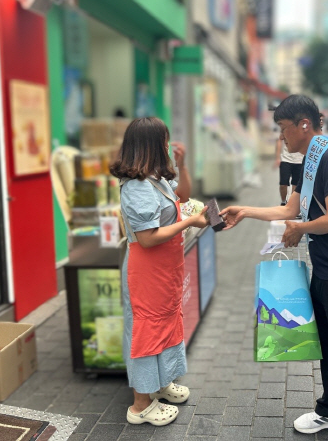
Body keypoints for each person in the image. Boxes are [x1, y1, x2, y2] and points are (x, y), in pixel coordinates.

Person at [221, 95, 328, 441]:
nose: (281, 138)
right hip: (324, 271)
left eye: (283, 129)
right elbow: (291, 208)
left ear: (304, 124)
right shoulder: (310, 161)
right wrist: (244, 210)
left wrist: (301, 229)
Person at [110, 117, 208, 427]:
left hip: (164, 270)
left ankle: (161, 384)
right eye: (163, 142)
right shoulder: (136, 187)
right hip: (148, 271)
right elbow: (148, 237)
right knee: (146, 331)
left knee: (165, 324)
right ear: (150, 145)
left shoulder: (154, 177)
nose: (167, 146)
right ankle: (141, 404)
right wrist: (190, 222)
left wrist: (183, 164)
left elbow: (182, 197)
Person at [275, 137, 304, 205]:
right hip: (285, 159)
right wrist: (277, 157)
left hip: (299, 160)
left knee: (295, 184)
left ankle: (292, 203)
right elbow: (279, 140)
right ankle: (283, 202)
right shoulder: (286, 127)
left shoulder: (304, 128)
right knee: (283, 184)